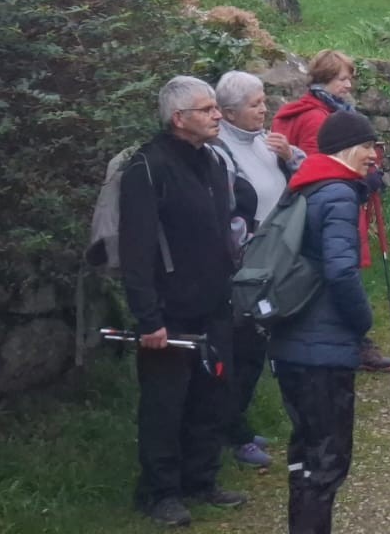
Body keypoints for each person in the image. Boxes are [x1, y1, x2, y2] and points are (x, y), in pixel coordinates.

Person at [119, 75, 248, 527]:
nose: (217, 115)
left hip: (215, 303)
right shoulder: (147, 168)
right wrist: (147, 317)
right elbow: (135, 249)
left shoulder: (212, 161)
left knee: (211, 394)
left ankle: (201, 479)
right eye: (207, 109)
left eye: (216, 107)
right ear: (179, 119)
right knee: (165, 405)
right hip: (168, 313)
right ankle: (159, 493)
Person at [268, 111, 379, 534]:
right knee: (328, 460)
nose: (373, 155)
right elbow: (340, 272)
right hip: (323, 348)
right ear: (349, 148)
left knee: (304, 455)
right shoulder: (337, 194)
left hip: (290, 339)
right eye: (368, 146)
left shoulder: (303, 187)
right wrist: (361, 321)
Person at [273, 51, 390, 374]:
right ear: (324, 80)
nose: (349, 84)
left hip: (328, 202)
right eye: (342, 78)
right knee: (339, 269)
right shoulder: (317, 117)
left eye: (349, 78)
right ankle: (354, 339)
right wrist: (368, 178)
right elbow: (326, 164)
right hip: (330, 204)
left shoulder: (328, 110)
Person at [215, 70, 304, 471]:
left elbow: (301, 179)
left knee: (255, 349)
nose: (264, 109)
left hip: (273, 264)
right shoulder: (220, 151)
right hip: (241, 270)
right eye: (255, 104)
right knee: (240, 350)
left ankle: (238, 425)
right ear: (229, 112)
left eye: (264, 100)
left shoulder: (268, 143)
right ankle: (230, 432)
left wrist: (289, 157)